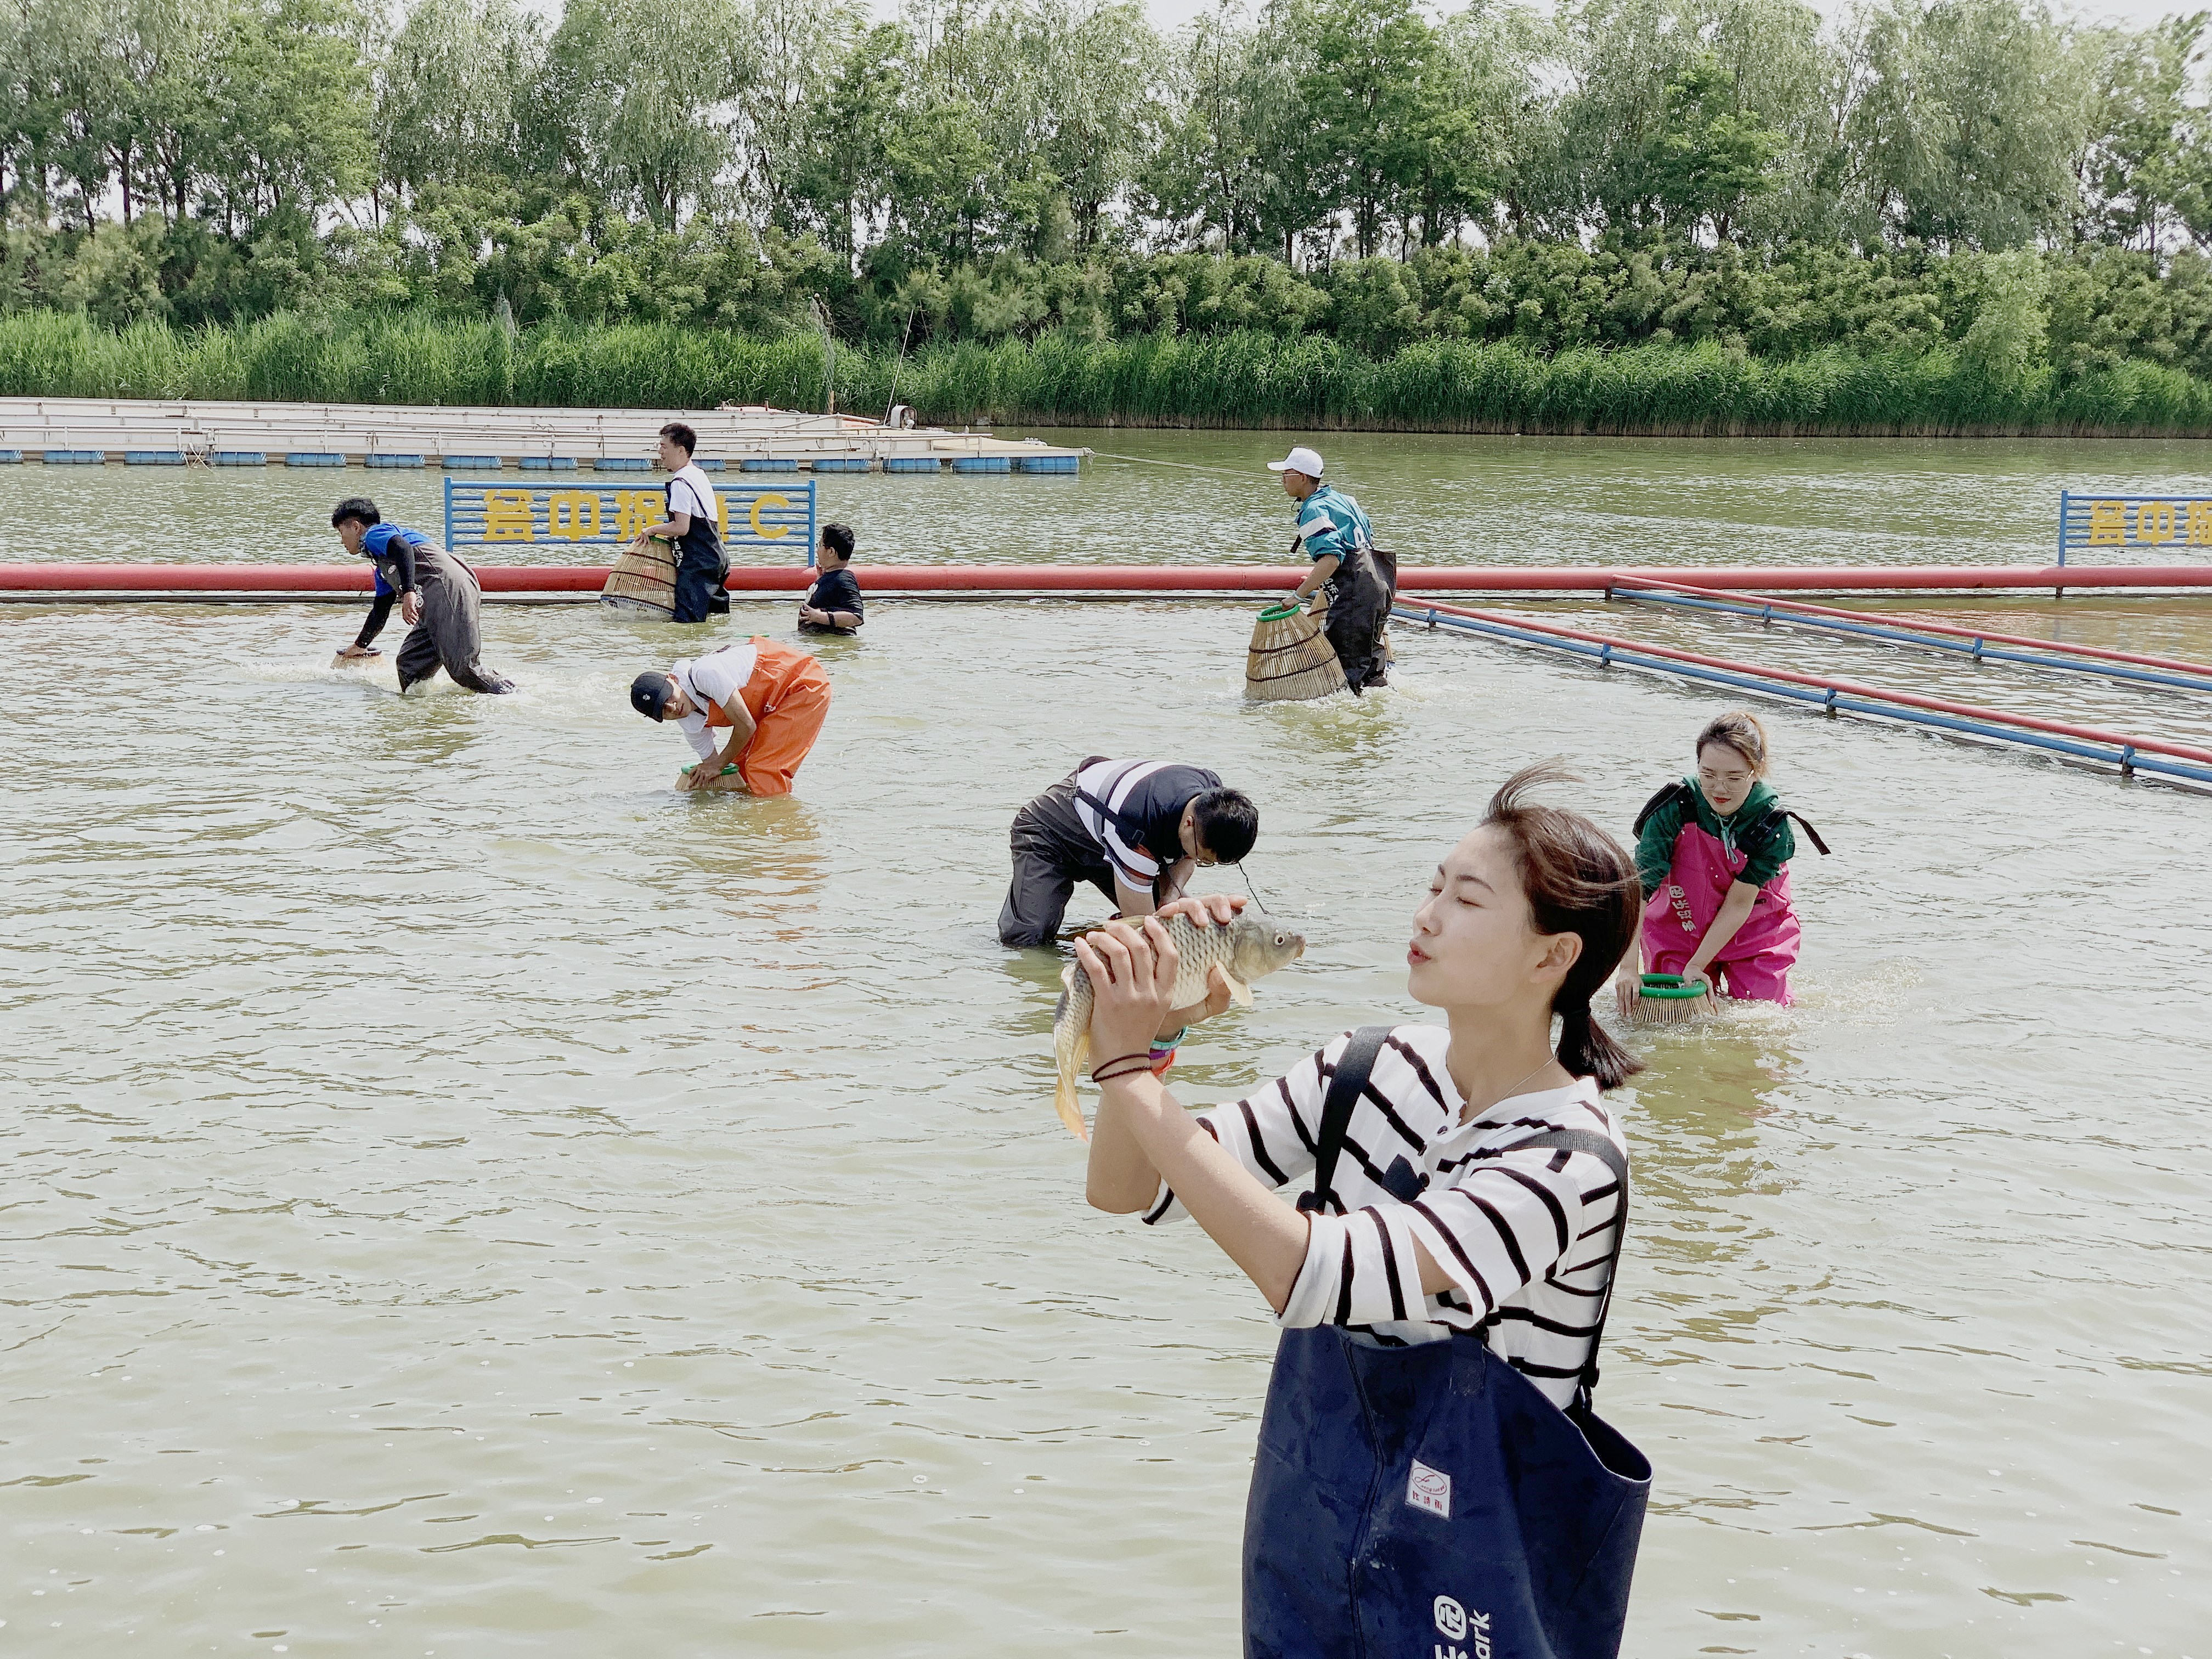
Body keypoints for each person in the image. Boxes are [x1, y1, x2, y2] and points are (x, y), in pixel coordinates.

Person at [1081, 763, 1650, 1657]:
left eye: (1465, 898)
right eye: (1431, 885)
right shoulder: (1367, 1066)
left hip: (1481, 1575)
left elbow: (1310, 1273)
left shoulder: (1569, 1162)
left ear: (1553, 955)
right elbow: (1126, 1188)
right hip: (1317, 1532)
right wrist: (1155, 1031)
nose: (1425, 914)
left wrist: (1119, 1071)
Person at [1618, 710, 1827, 1013]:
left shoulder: (1772, 823)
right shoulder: (1672, 807)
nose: (1719, 789)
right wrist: (1627, 967)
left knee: (1763, 1015)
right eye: (1708, 774)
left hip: (1754, 929)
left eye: (1733, 777)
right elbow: (1638, 890)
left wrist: (1698, 964)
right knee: (1674, 1015)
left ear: (1755, 772)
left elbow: (1739, 903)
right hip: (1681, 921)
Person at [996, 758, 1258, 950]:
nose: (1198, 863)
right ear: (1189, 823)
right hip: (1050, 830)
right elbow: (1146, 928)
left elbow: (1186, 858)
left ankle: (1088, 937)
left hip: (1106, 828)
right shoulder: (1136, 827)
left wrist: (1169, 896)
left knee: (1179, 924)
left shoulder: (1212, 797)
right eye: (1202, 859)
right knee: (1030, 939)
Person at [329, 498, 514, 694]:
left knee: (463, 668)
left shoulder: (374, 534)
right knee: (410, 666)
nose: (342, 541)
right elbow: (380, 610)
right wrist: (360, 645)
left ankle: (513, 696)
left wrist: (408, 591)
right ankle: (423, 719)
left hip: (447, 589)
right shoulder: (382, 568)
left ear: (356, 527)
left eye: (341, 532)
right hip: (432, 602)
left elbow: (403, 548)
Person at [629, 637, 832, 797]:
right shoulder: (689, 724)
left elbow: (746, 726)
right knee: (740, 766)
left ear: (673, 679)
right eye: (664, 710)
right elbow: (718, 767)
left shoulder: (704, 673)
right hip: (770, 701)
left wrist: (717, 765)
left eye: (669, 697)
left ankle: (776, 835)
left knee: (762, 769)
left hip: (801, 684)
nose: (673, 707)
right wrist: (707, 777)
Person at [1271, 445, 1393, 694]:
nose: (1282, 479)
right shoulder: (1344, 500)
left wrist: (1297, 596)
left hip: (1355, 596)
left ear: (1302, 477)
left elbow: (1331, 560)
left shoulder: (1313, 510)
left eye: (1286, 473)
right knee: (1370, 671)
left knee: (1343, 677)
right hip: (1381, 583)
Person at [642, 422, 727, 625]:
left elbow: (681, 528)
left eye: (664, 447)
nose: (660, 452)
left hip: (698, 565)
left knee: (687, 625)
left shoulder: (681, 481)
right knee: (715, 622)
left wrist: (652, 530)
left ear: (681, 450)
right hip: (717, 559)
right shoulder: (698, 474)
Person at [799, 522, 864, 633]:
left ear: (831, 551)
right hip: (817, 640)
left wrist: (820, 617)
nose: (818, 550)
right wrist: (821, 581)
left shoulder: (844, 579)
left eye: (820, 546)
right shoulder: (832, 577)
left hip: (833, 641)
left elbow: (856, 616)